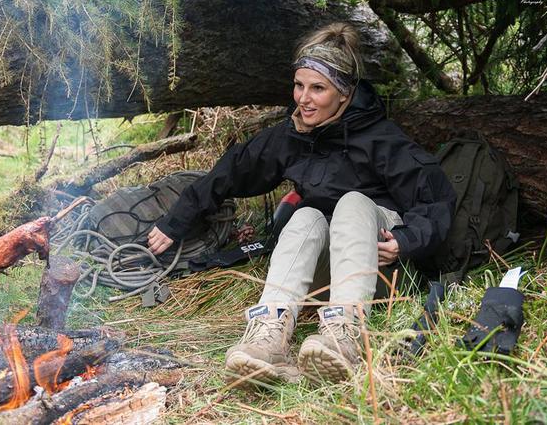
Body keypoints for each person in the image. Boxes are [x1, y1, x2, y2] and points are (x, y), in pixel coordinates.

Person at [148, 22, 456, 383]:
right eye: (299, 85)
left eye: (318, 88)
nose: (303, 98)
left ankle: (347, 336)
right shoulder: (293, 135)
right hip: (325, 274)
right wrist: (175, 222)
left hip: (380, 270)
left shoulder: (381, 140)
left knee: (354, 202)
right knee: (306, 213)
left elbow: (436, 198)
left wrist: (405, 240)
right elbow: (233, 169)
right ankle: (268, 337)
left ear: (344, 93)